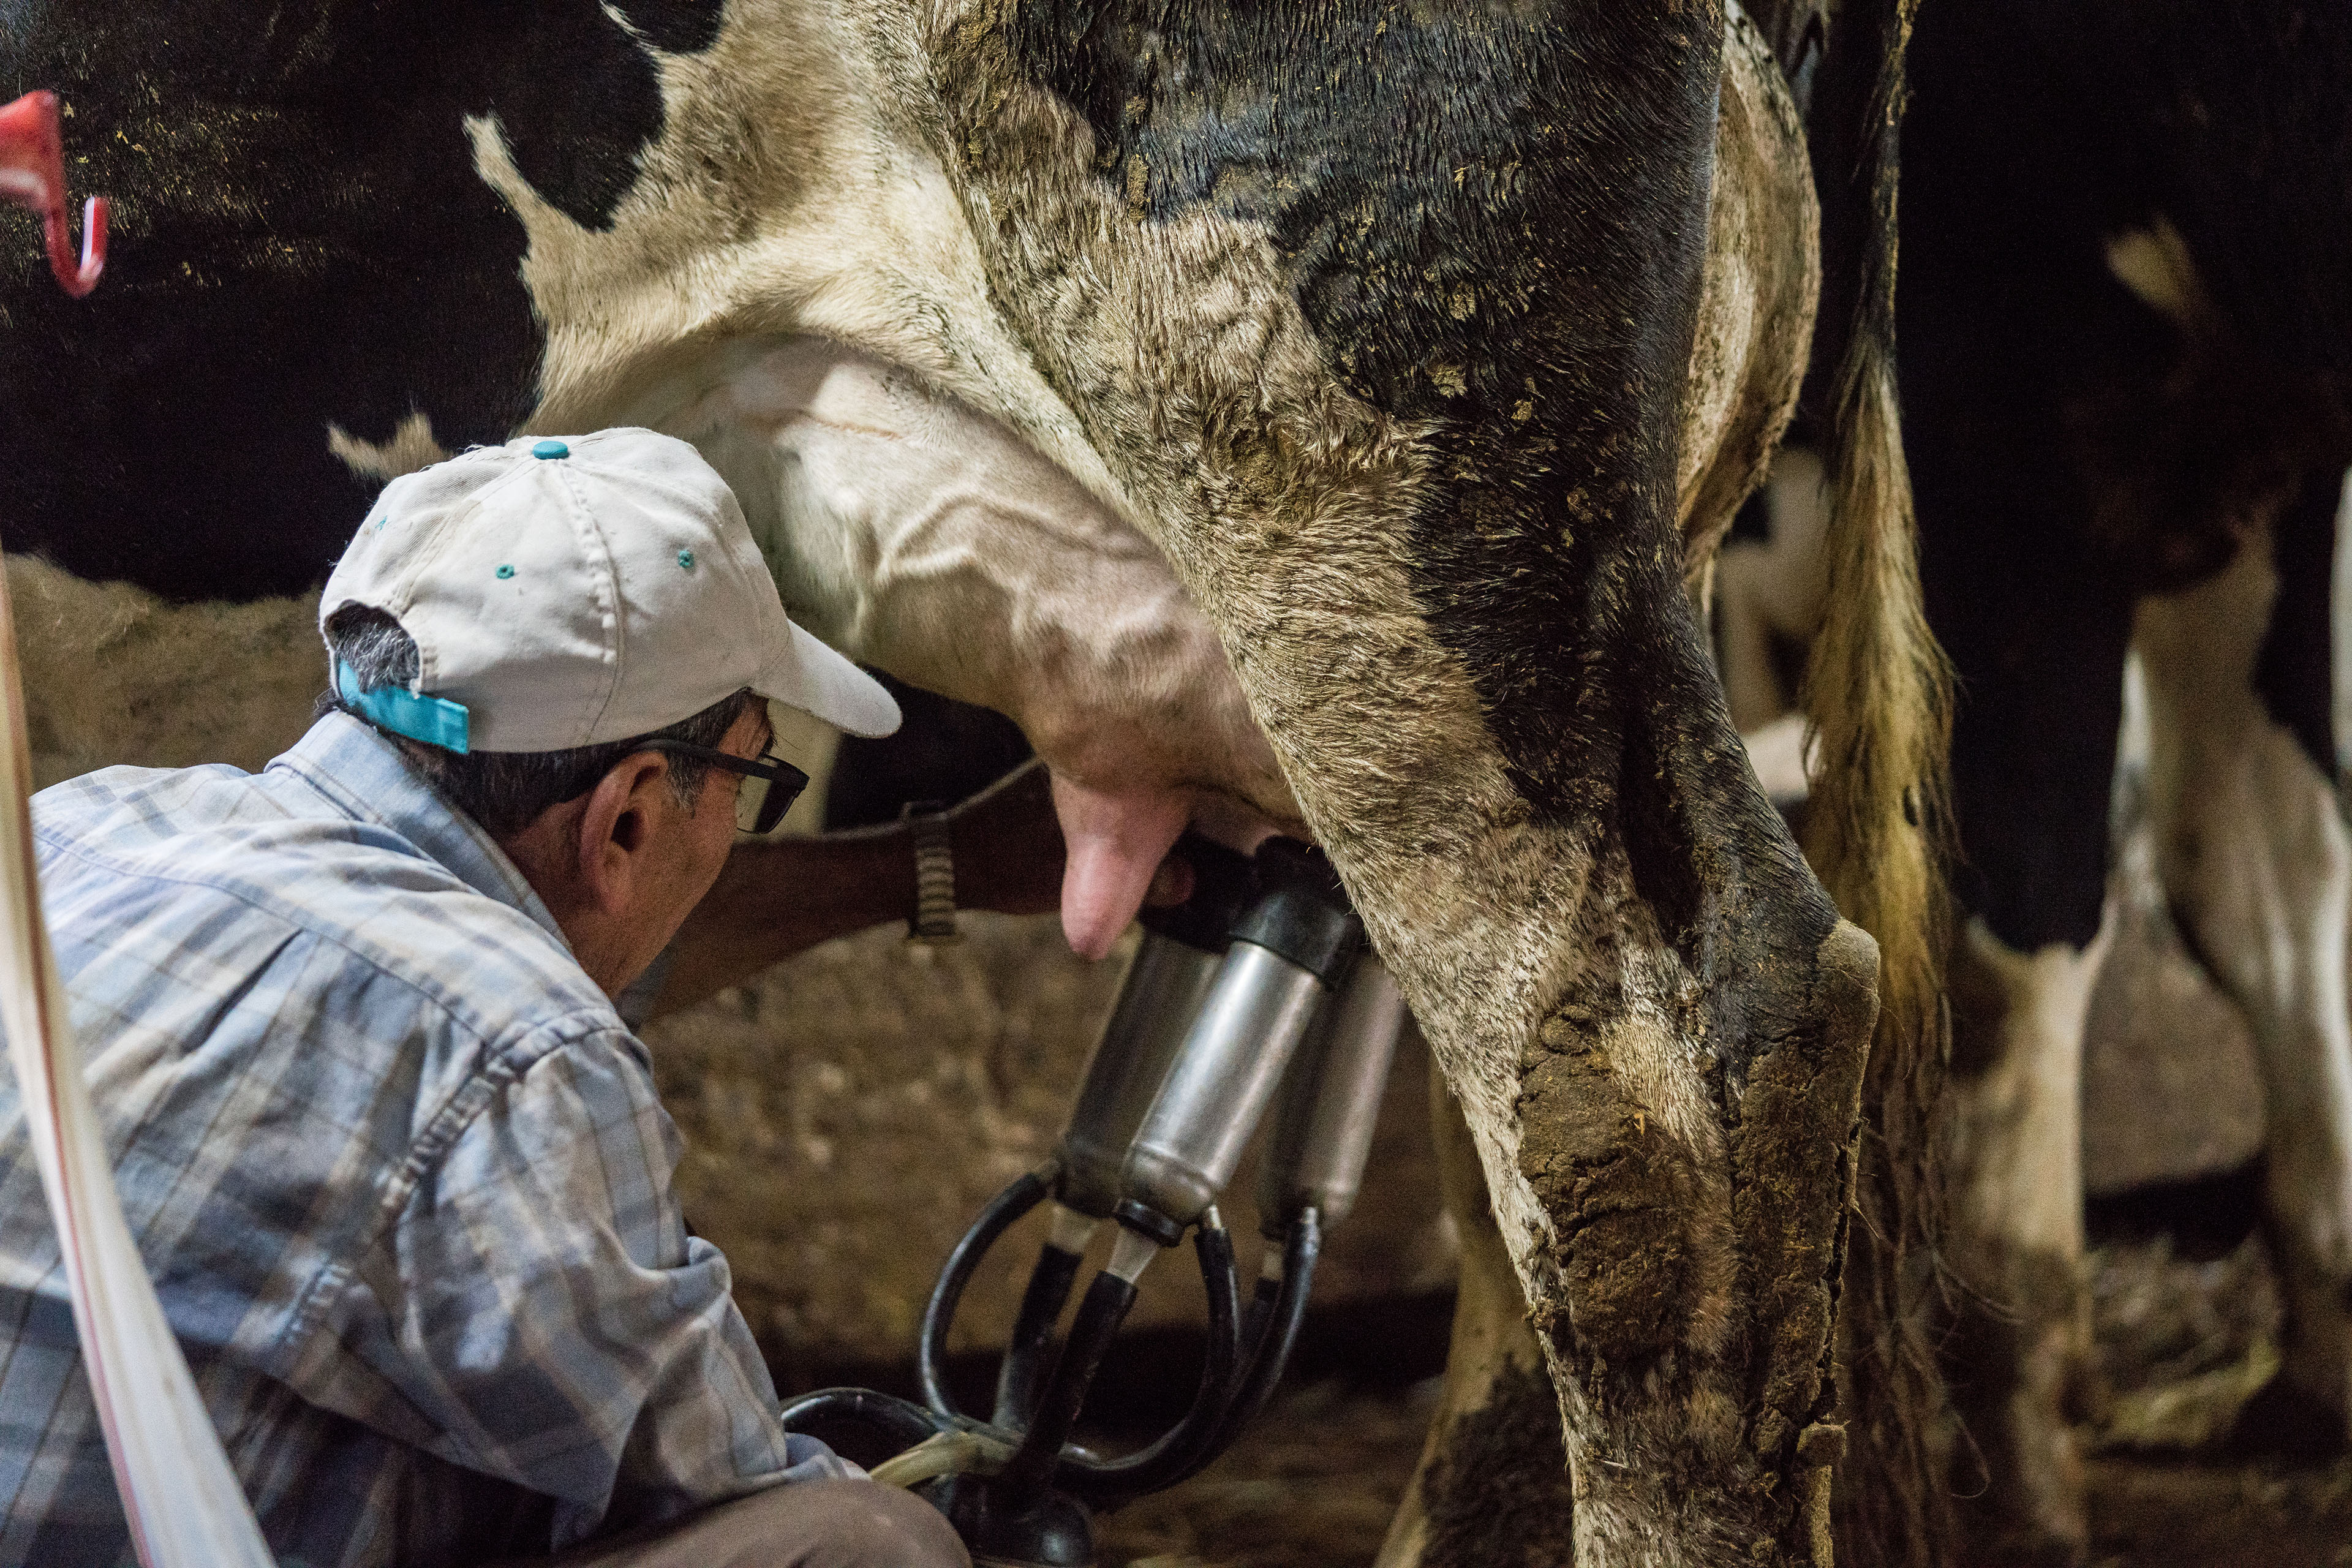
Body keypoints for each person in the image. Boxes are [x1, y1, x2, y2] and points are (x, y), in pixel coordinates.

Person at [0, 429, 1077, 1567]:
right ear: (628, 816)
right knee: (867, 1545)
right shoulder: (521, 1055)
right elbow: (715, 1481)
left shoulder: (86, 828)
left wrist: (943, 861)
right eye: (756, 781)